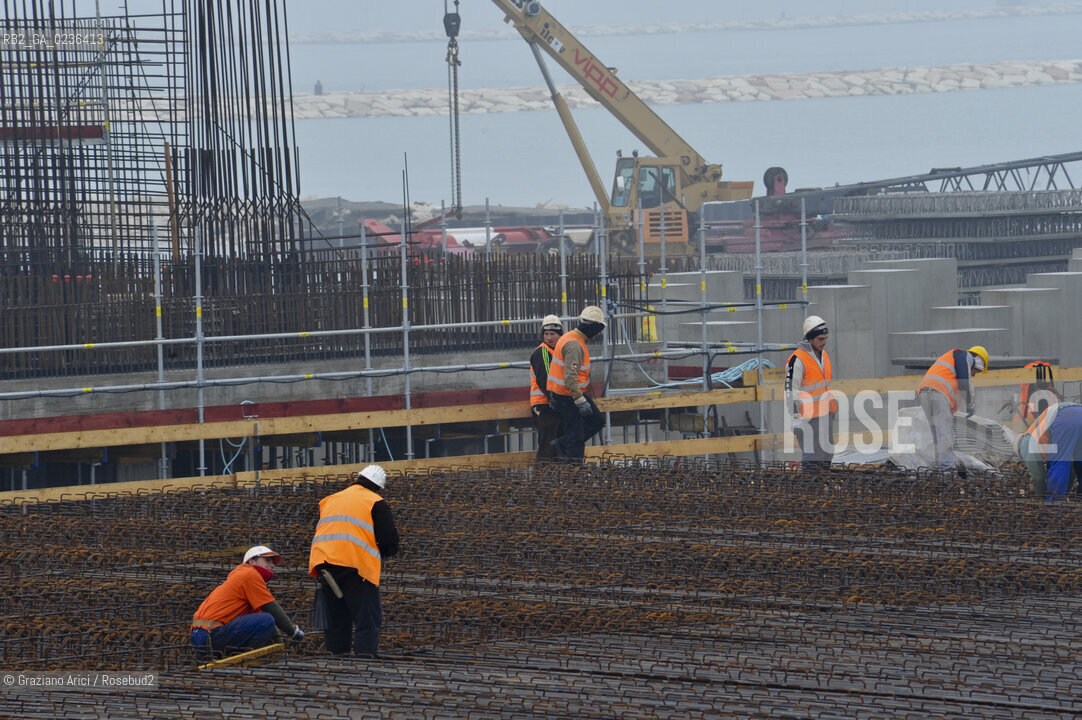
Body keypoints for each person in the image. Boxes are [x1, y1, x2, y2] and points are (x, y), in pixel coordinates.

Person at [309, 464, 399, 658]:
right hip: (355, 568)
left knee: (337, 619)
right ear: (378, 487)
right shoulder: (375, 501)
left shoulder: (331, 499)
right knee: (367, 619)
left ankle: (336, 660)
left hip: (323, 564)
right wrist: (384, 552)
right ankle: (364, 664)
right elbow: (389, 541)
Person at [190, 545, 303, 658]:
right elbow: (270, 608)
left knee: (264, 620)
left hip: (201, 637)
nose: (272, 565)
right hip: (211, 635)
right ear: (252, 561)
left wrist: (280, 647)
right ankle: (249, 659)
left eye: (273, 562)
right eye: (267, 560)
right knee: (266, 619)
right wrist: (293, 631)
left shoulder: (242, 577)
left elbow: (267, 622)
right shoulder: (250, 574)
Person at [547, 305, 606, 461]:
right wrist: (580, 400)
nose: (599, 334)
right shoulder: (574, 344)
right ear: (592, 328)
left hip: (566, 394)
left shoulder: (572, 337)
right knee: (576, 435)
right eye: (598, 330)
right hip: (568, 396)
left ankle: (563, 443)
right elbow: (570, 377)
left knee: (596, 421)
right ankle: (574, 471)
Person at [916, 345, 989, 469]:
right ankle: (947, 469)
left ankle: (940, 467)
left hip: (924, 391)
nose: (975, 375)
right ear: (978, 362)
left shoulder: (953, 358)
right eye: (977, 371)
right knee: (944, 434)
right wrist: (971, 403)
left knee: (937, 434)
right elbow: (965, 382)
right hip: (938, 392)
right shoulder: (965, 356)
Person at [784, 315, 838, 470]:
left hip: (824, 413)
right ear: (810, 338)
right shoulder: (796, 360)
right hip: (807, 417)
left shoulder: (823, 355)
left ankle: (822, 487)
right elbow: (790, 391)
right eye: (820, 339)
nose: (824, 342)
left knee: (827, 454)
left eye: (825, 338)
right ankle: (813, 490)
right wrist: (796, 418)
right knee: (813, 457)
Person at [1012, 401, 1082, 501]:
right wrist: (1066, 492)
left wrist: (1042, 497)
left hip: (1064, 415)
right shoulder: (1045, 440)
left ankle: (1054, 508)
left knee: (1059, 464)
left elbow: (1037, 476)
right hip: (1078, 409)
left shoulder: (1026, 442)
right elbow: (1070, 469)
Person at [530, 314, 564, 462]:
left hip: (554, 406)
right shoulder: (542, 352)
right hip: (544, 407)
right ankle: (542, 481)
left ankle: (552, 481)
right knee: (547, 449)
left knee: (557, 449)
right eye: (546, 334)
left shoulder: (558, 352)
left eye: (553, 334)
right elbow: (545, 382)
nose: (549, 337)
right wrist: (560, 403)